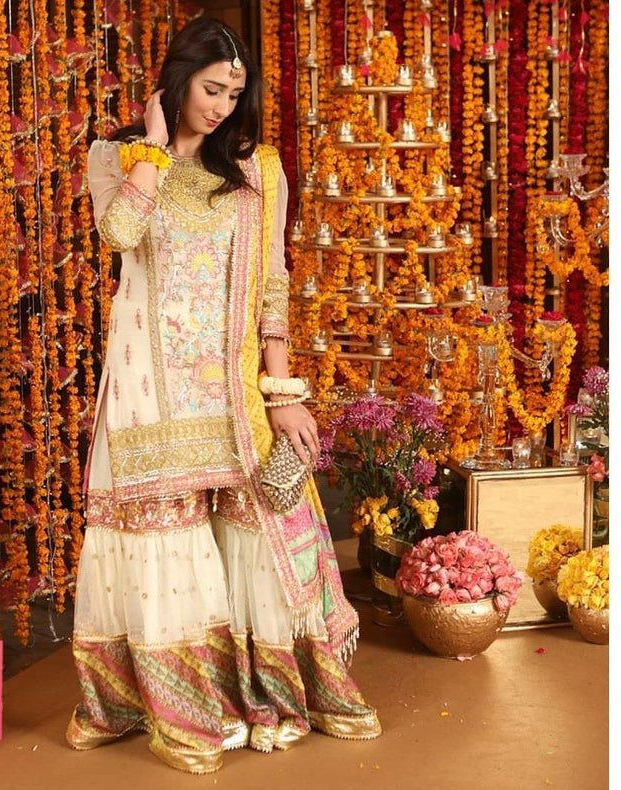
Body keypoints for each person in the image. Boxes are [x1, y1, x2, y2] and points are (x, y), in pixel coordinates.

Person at [66, 16, 381, 775]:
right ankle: (175, 708)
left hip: (232, 387)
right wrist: (153, 149)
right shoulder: (115, 156)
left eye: (234, 95)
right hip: (149, 388)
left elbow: (271, 283)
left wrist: (282, 391)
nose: (221, 107)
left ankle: (262, 691)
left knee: (257, 527)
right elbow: (118, 232)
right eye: (211, 90)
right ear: (176, 80)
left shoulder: (256, 169)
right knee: (163, 538)